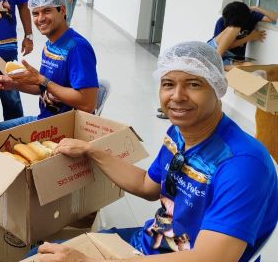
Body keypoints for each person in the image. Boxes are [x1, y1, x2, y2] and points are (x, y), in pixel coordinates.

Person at [38, 41, 278, 261]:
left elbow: (211, 258)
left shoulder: (243, 164)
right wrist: (92, 151)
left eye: (194, 84)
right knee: (42, 253)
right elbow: (147, 185)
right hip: (153, 243)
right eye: (168, 84)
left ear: (217, 88)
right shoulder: (179, 134)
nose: (177, 96)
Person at [0, 0, 98, 134]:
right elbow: (43, 87)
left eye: (47, 11)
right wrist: (13, 84)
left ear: (63, 11)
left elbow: (88, 104)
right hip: (45, 120)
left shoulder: (77, 48)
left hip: (62, 130)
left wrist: (41, 80)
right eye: (35, 13)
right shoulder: (50, 44)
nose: (40, 19)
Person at [208, 1, 275, 68]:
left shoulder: (251, 16)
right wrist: (250, 37)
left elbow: (275, 19)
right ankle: (215, 64)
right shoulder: (222, 21)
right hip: (215, 51)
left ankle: (219, 67)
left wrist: (257, 8)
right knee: (234, 29)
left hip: (233, 57)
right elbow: (225, 46)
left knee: (250, 66)